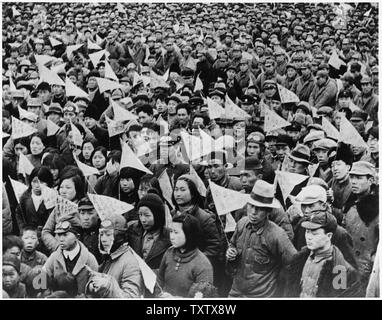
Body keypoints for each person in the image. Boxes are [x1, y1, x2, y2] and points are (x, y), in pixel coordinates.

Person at [227, 180, 297, 297]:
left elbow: (294, 264)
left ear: (267, 211)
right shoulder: (241, 224)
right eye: (251, 206)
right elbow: (232, 245)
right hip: (236, 292)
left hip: (261, 295)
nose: (253, 212)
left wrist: (280, 289)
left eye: (259, 209)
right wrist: (230, 254)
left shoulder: (277, 235)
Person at [285, 210, 360, 297]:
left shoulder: (341, 270)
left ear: (329, 236)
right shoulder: (300, 259)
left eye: (315, 234)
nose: (309, 237)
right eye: (307, 232)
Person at [85, 214, 145, 298]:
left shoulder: (130, 262)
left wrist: (108, 286)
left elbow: (132, 297)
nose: (103, 239)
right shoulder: (109, 257)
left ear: (120, 236)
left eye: (108, 234)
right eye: (101, 234)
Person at [343, 161, 379, 294]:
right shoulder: (350, 204)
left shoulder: (377, 208)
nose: (353, 181)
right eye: (352, 177)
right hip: (347, 265)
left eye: (359, 178)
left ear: (370, 180)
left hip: (368, 270)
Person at [158, 213, 214, 298]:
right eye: (171, 232)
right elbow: (160, 279)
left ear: (189, 234)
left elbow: (202, 297)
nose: (172, 237)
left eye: (176, 232)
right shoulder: (169, 252)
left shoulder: (202, 263)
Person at [43, 220, 99, 296]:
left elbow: (97, 290)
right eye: (59, 235)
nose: (61, 239)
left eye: (65, 235)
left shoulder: (89, 259)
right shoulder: (54, 257)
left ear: (77, 236)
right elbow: (42, 279)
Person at [127, 194, 171, 272]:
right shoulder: (132, 231)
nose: (143, 220)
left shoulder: (169, 238)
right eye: (140, 215)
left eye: (147, 215)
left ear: (157, 216)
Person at [77, 196, 102, 263]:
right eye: (82, 213)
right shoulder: (76, 233)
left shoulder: (103, 234)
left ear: (98, 215)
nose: (86, 218)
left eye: (90, 213)